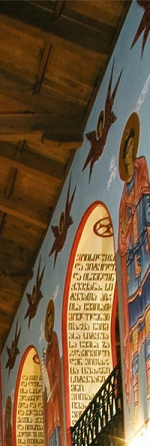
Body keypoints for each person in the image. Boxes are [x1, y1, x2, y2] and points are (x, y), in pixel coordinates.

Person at [118, 113, 150, 429]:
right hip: (133, 273)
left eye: (131, 150)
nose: (128, 156)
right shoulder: (123, 202)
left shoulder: (141, 181)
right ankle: (140, 397)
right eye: (125, 152)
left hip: (144, 260)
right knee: (136, 332)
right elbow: (122, 241)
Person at [42, 300, 67, 446]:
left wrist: (53, 389)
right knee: (52, 444)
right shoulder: (47, 352)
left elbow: (58, 373)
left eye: (51, 320)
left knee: (57, 440)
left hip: (55, 405)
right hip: (50, 409)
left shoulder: (55, 346)